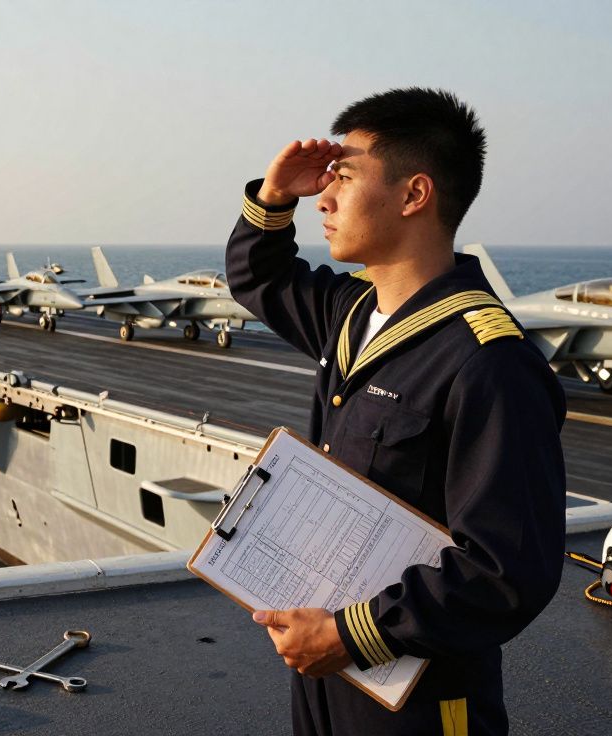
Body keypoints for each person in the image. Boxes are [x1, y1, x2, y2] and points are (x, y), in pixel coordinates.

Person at [225, 88, 566, 735]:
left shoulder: (487, 360)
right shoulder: (353, 312)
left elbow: (506, 571)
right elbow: (258, 278)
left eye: (344, 179)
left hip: (424, 702)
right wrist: (274, 197)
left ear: (414, 195)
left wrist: (350, 636)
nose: (323, 198)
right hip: (332, 683)